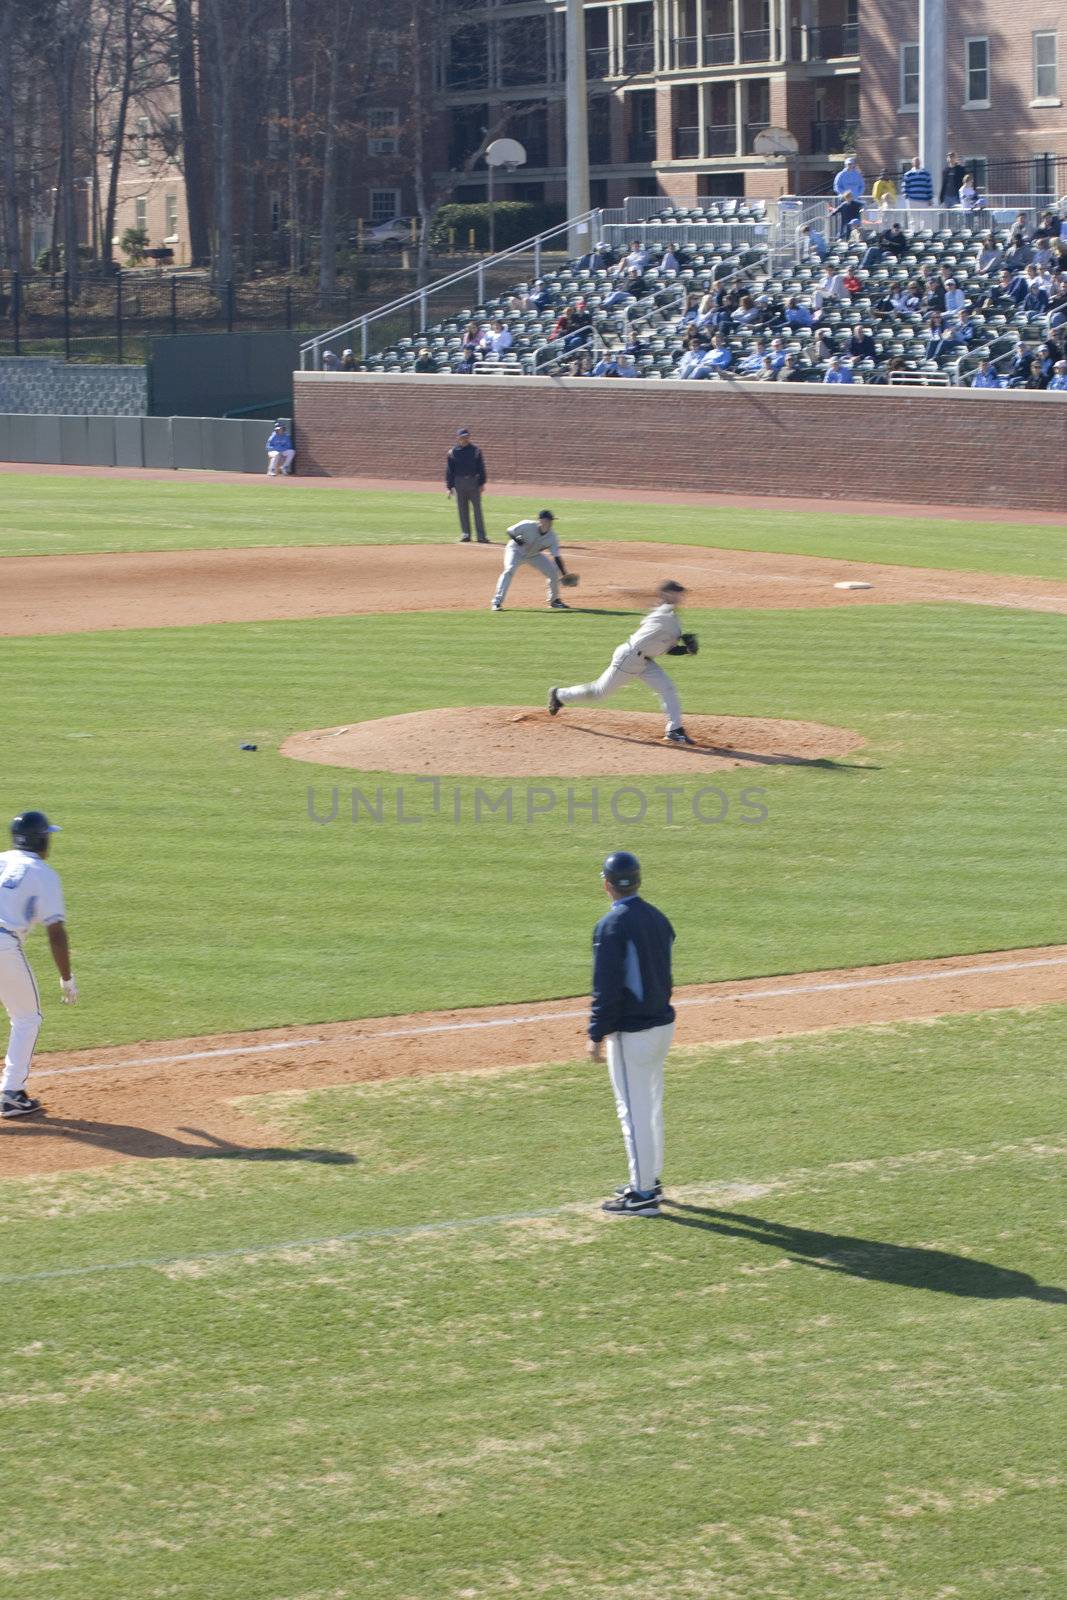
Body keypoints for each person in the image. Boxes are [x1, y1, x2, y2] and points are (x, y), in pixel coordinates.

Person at [585, 851, 677, 1218]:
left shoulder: (611, 926)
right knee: (649, 1105)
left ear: (607, 884)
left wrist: (596, 1034)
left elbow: (606, 988)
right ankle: (649, 1180)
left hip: (632, 1032)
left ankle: (642, 1196)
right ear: (637, 881)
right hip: (662, 1025)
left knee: (633, 1111)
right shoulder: (657, 917)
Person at [547, 579, 697, 743]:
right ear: (668, 594)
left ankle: (674, 729)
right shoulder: (664, 613)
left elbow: (668, 649)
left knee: (667, 688)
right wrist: (680, 636)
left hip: (645, 661)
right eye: (677, 592)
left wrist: (686, 649)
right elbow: (662, 612)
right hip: (629, 657)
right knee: (599, 692)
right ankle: (559, 695)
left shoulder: (670, 617)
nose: (681, 595)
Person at [0, 811, 77, 1120]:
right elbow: (56, 933)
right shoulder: (43, 873)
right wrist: (66, 978)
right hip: (3, 944)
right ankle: (11, 1094)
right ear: (41, 839)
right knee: (27, 1017)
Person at [491, 510, 572, 611]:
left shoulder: (552, 537)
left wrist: (564, 573)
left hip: (534, 555)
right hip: (515, 551)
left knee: (553, 572)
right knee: (509, 570)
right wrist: (516, 539)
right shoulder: (527, 525)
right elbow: (509, 530)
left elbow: (556, 556)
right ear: (540, 521)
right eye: (548, 520)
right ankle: (496, 602)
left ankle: (554, 601)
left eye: (551, 521)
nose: (550, 523)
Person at [445, 427, 489, 543]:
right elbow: (449, 470)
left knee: (477, 510)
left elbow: (481, 468)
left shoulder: (476, 450)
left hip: (473, 481)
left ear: (469, 437)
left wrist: (482, 483)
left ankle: (481, 536)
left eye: (466, 436)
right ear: (458, 438)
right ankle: (466, 534)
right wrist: (449, 487)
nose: (465, 439)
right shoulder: (452, 452)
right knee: (462, 509)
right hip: (459, 482)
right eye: (462, 437)